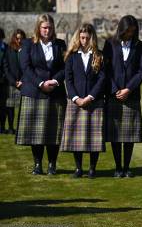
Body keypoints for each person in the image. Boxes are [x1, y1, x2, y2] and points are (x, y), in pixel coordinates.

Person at [16, 14, 67, 175]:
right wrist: (41, 83)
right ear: (38, 28)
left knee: (54, 131)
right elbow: (26, 67)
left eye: (50, 28)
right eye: (44, 27)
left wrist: (55, 81)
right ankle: (38, 164)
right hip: (34, 92)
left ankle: (52, 164)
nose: (47, 30)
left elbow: (66, 67)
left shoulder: (60, 44)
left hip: (55, 92)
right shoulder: (28, 44)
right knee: (35, 132)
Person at [60, 23, 106, 178]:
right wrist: (75, 98)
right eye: (82, 38)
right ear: (78, 38)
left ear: (92, 38)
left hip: (94, 101)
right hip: (75, 101)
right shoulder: (71, 56)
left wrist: (90, 97)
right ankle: (78, 168)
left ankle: (92, 169)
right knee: (76, 137)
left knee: (94, 138)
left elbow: (102, 79)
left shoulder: (99, 55)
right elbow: (68, 79)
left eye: (87, 38)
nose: (84, 41)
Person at [103, 15, 142, 178]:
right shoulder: (110, 44)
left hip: (131, 95)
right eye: (128, 31)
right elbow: (106, 69)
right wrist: (115, 90)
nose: (130, 33)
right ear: (122, 29)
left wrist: (128, 89)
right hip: (114, 95)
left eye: (133, 31)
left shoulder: (139, 46)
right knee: (115, 134)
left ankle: (127, 167)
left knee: (129, 135)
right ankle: (117, 167)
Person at [2, 29, 26, 135]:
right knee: (10, 107)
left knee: (22, 108)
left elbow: (28, 67)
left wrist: (23, 81)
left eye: (21, 38)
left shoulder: (26, 49)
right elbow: (6, 67)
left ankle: (21, 128)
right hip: (11, 83)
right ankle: (11, 127)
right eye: (17, 38)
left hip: (24, 83)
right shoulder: (9, 49)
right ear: (14, 38)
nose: (19, 40)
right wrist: (13, 81)